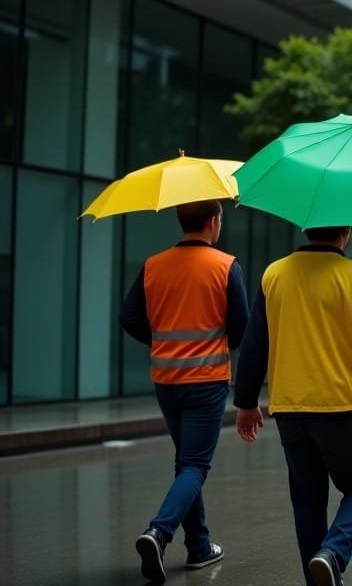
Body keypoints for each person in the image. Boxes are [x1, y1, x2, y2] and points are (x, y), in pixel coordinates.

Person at [234, 226, 352, 586]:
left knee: (307, 502)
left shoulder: (273, 274)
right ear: (346, 232)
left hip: (290, 407)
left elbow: (255, 344)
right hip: (341, 404)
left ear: (307, 227)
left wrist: (246, 403)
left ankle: (319, 575)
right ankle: (333, 553)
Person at [119, 200, 248, 584]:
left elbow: (129, 318)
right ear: (213, 221)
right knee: (195, 465)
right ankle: (158, 533)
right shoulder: (226, 265)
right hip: (205, 381)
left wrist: (160, 341)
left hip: (166, 380)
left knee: (186, 463)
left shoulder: (153, 264)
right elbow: (241, 327)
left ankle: (199, 546)